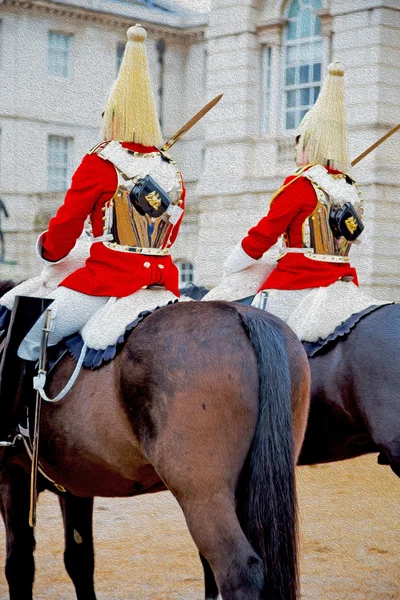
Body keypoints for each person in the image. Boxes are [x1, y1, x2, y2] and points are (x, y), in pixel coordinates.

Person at [0, 24, 185, 443]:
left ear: (114, 115)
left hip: (107, 282)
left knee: (30, 339)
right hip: (162, 283)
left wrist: (49, 248)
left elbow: (63, 232)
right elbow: (170, 231)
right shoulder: (170, 170)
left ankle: (11, 428)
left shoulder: (100, 162)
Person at [218, 62, 372, 331]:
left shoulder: (302, 183)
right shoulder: (349, 187)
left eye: (299, 143)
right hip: (343, 279)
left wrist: (234, 264)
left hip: (298, 280)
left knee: (249, 329)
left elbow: (266, 233)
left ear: (309, 143)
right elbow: (358, 237)